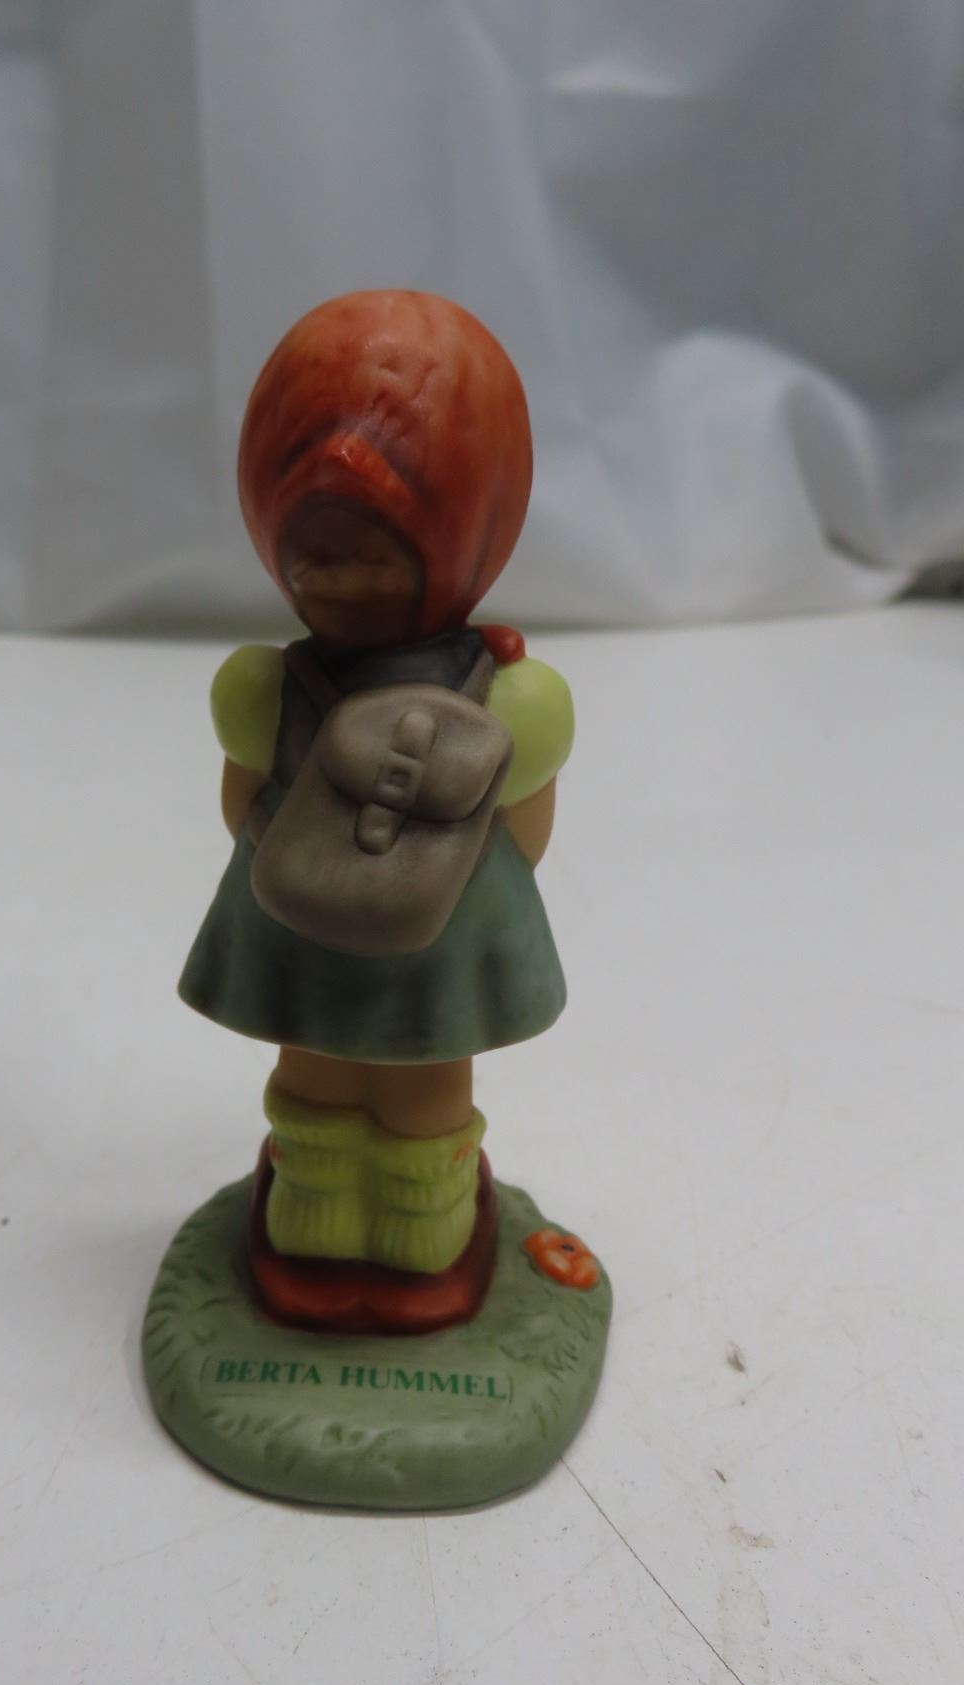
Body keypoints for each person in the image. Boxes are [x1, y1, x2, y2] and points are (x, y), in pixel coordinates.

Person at [179, 289, 574, 1327]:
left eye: (370, 555)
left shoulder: (270, 692)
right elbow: (527, 834)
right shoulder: (506, 699)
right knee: (357, 1077)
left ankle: (392, 1221)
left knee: (391, 1079)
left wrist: (307, 858)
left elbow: (240, 806)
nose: (344, 580)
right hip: (436, 927)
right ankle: (380, 1218)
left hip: (311, 913)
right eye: (324, 555)